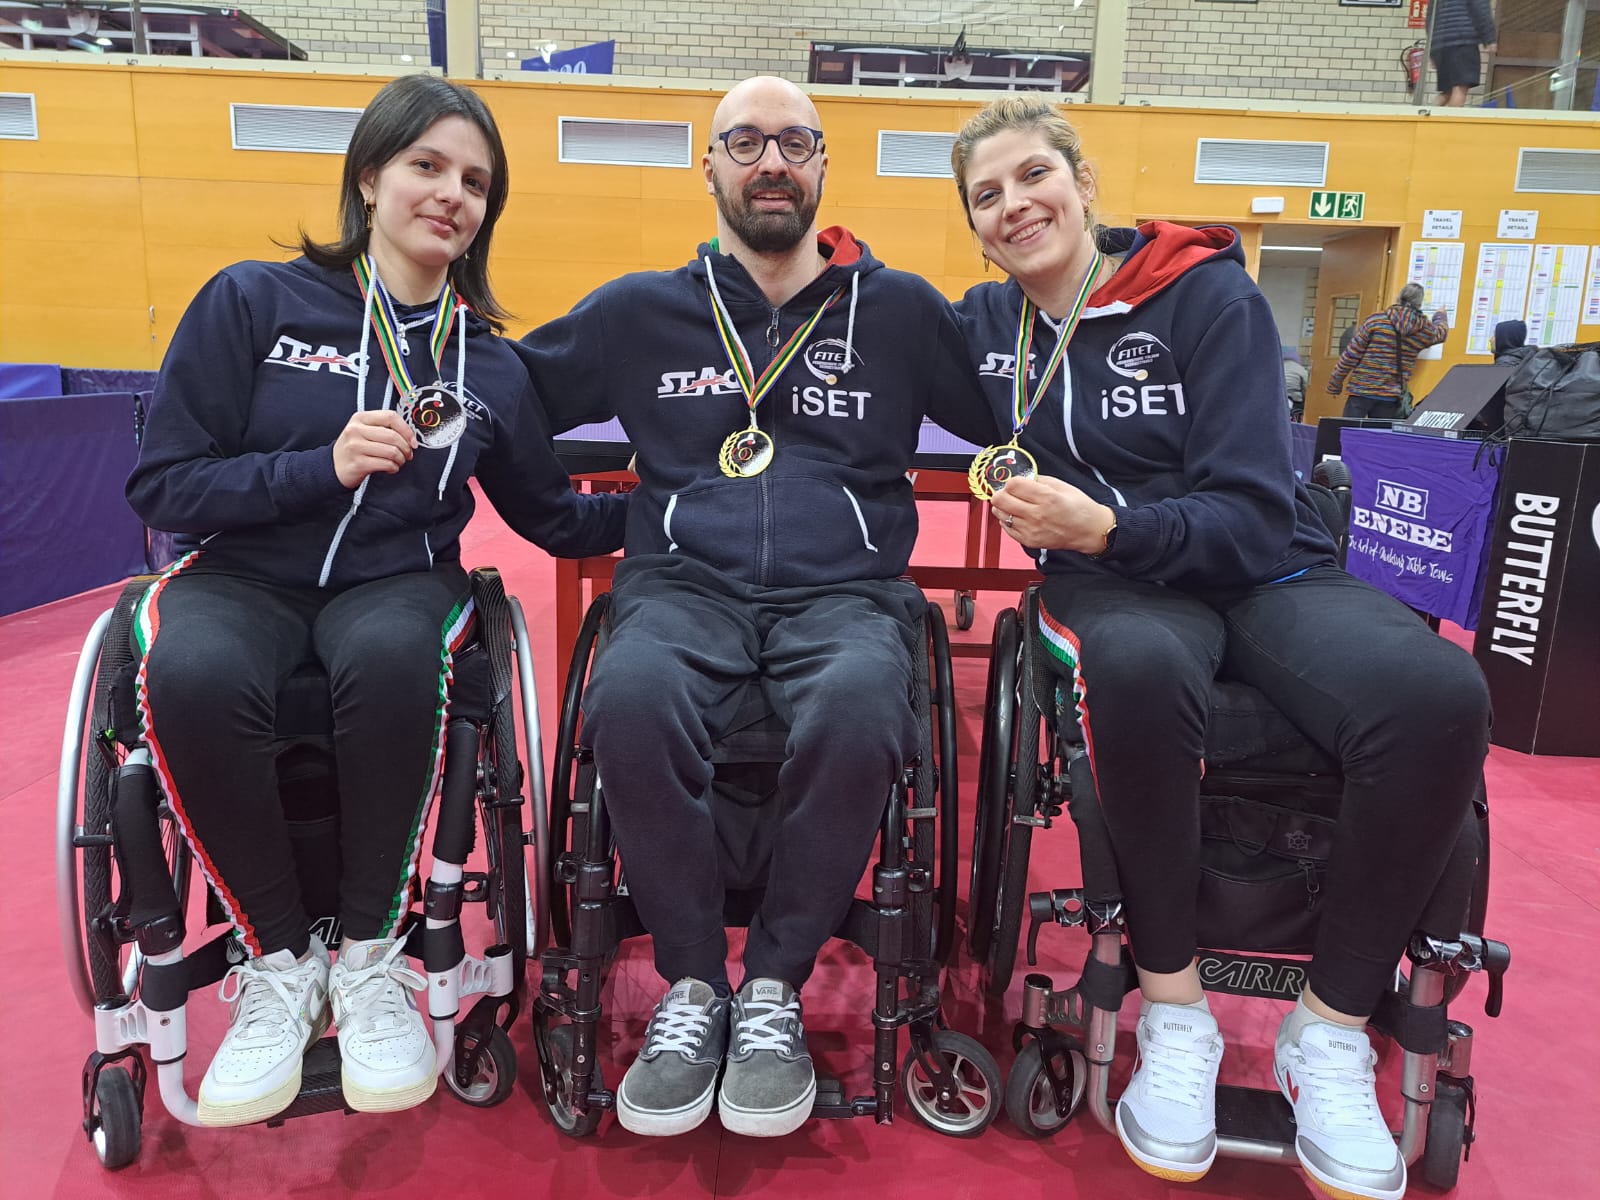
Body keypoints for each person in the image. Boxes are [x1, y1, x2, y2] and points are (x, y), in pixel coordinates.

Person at [949, 96, 1490, 1200]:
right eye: (985, 195)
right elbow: (855, 324)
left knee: (1438, 695)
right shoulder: (983, 329)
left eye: (1031, 176)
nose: (1014, 206)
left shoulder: (1207, 296)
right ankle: (1177, 1013)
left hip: (1262, 569)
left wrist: (1107, 527)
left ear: (1083, 183)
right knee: (1138, 668)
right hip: (1125, 595)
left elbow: (1247, 512)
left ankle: (1328, 1031)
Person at [125, 74, 627, 1127]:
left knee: (400, 655)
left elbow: (555, 517)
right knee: (190, 668)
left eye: (476, 181)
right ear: (370, 177)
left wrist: (688, 507)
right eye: (427, 166)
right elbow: (164, 484)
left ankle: (368, 957)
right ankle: (280, 964)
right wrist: (318, 466)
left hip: (396, 585)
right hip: (246, 577)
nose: (451, 194)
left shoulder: (487, 361)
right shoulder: (254, 301)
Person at [515, 75, 1000, 1139]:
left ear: (823, 165)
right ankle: (693, 988)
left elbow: (1021, 401)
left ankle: (773, 985)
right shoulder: (638, 311)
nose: (770, 161)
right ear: (711, 170)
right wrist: (574, 524)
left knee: (869, 708)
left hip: (848, 596)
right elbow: (505, 393)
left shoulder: (905, 310)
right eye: (744, 142)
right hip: (683, 591)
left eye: (793, 142)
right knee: (628, 699)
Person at [1327, 284, 1449, 420]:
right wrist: (1440, 315)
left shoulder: (1376, 320)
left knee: (1348, 436)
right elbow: (1441, 334)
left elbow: (1350, 355)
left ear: (1398, 298)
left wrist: (1335, 383)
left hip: (1361, 391)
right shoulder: (1423, 329)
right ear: (1419, 304)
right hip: (1390, 396)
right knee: (1379, 438)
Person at [1429, 0, 1497, 107]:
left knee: (1447, 92)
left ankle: (1426, 117)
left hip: (1440, 44)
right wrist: (1490, 39)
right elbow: (1481, 9)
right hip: (1462, 42)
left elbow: (1430, 16)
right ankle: (1449, 122)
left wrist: (1432, 48)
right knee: (1459, 89)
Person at [1282, 345, 1309, 421]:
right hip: (1294, 399)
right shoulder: (1300, 369)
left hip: (1278, 397)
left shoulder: (1279, 366)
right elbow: (1306, 388)